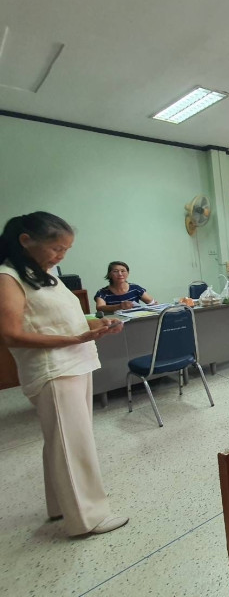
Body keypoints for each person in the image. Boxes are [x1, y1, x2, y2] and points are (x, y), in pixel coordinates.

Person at [0, 212, 128, 536]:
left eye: (66, 250)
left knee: (62, 439)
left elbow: (64, 319)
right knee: (73, 443)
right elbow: (11, 334)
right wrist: (72, 339)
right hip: (53, 368)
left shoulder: (44, 275)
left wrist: (97, 323)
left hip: (74, 362)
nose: (61, 256)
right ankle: (87, 518)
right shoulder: (8, 277)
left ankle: (61, 505)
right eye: (56, 248)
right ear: (26, 241)